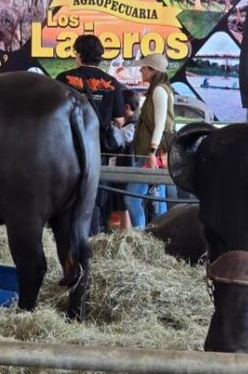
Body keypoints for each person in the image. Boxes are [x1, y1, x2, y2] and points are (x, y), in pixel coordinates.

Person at [56, 34, 125, 235]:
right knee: (94, 194)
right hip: (98, 148)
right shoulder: (112, 83)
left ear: (78, 54)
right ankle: (91, 235)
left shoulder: (64, 79)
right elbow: (119, 120)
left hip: (68, 148)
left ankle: (66, 234)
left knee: (67, 193)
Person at [125, 52, 175, 229]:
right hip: (156, 153)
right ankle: (160, 237)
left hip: (151, 153)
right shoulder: (160, 89)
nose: (141, 70)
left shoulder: (159, 90)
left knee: (131, 198)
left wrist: (152, 152)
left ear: (153, 70)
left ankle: (139, 235)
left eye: (144, 67)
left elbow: (160, 124)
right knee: (157, 200)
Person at [109, 89, 139, 230]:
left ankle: (127, 232)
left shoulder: (131, 126)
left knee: (124, 202)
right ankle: (125, 231)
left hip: (126, 170)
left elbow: (119, 140)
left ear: (126, 107)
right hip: (124, 169)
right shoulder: (132, 124)